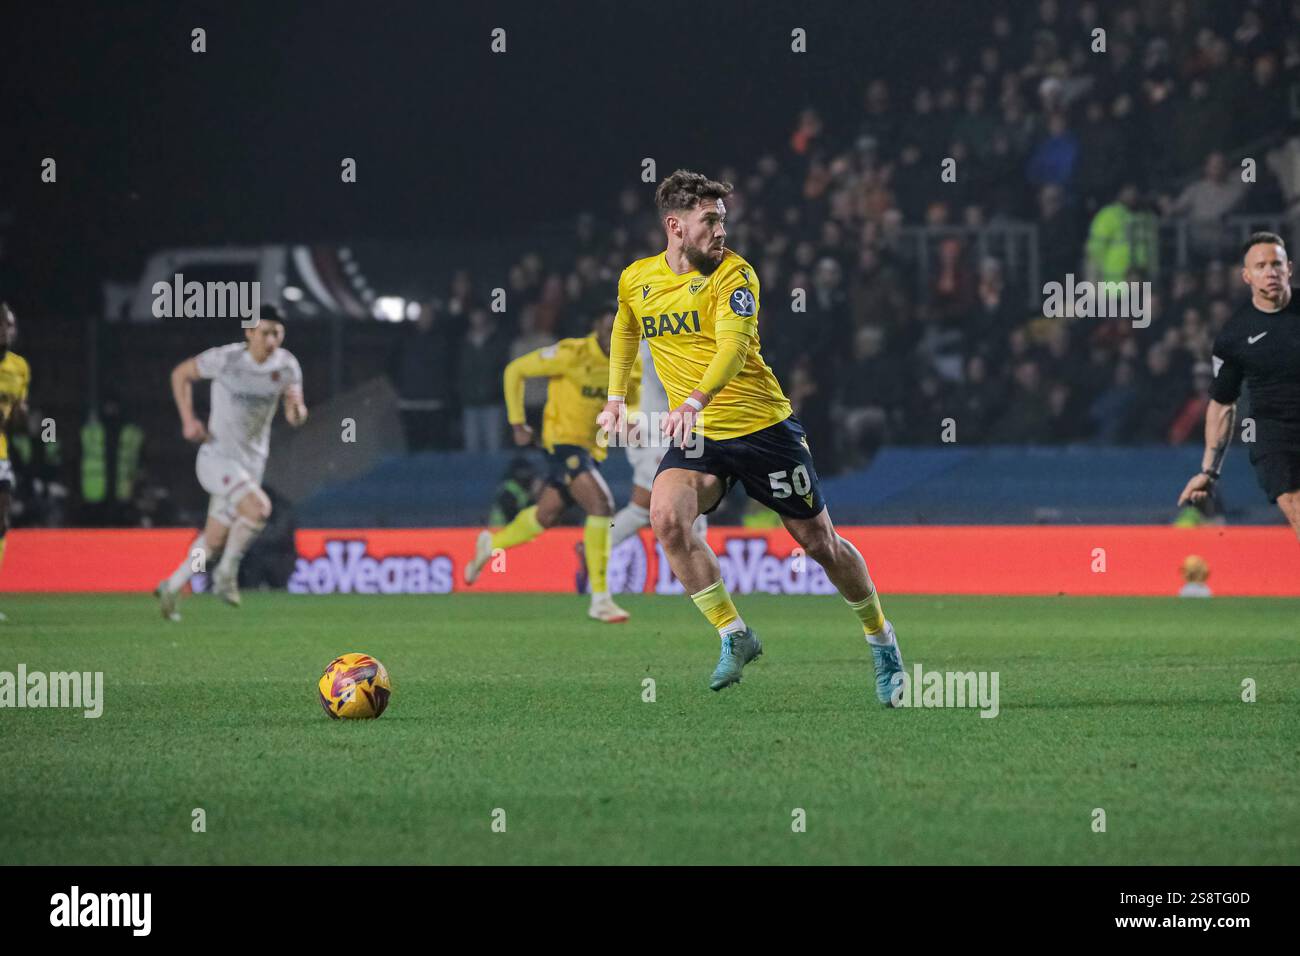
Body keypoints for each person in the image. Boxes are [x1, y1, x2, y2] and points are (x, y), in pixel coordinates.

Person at [598, 170, 904, 700]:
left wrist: (693, 400)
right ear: (674, 225)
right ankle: (734, 634)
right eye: (710, 220)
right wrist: (616, 399)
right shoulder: (637, 279)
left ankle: (882, 640)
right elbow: (627, 325)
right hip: (701, 439)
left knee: (820, 543)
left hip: (763, 430)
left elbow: (733, 350)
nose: (721, 231)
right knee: (667, 519)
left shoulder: (735, 276)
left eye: (723, 220)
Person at [464, 312, 640, 624]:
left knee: (547, 515)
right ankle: (600, 598)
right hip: (563, 443)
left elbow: (632, 405)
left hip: (592, 449)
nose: (614, 334)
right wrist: (517, 421)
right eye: (608, 326)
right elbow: (515, 370)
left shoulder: (630, 364)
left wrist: (630, 424)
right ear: (596, 327)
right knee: (601, 505)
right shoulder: (571, 354)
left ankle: (491, 544)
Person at [155, 305, 308, 619]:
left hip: (251, 463)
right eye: (264, 332)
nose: (271, 340)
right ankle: (227, 573)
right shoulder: (226, 359)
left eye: (277, 333)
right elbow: (180, 374)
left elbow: (296, 416)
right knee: (260, 509)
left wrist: (296, 410)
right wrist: (188, 421)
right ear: (249, 332)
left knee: (213, 539)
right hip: (217, 459)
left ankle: (172, 586)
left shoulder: (287, 366)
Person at [1179, 233, 1300, 540]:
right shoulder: (1234, 337)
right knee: (1295, 506)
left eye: (1276, 264)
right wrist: (1209, 471)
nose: (1270, 272)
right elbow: (1222, 404)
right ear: (1246, 276)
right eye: (1260, 266)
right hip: (1273, 434)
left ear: (1290, 268)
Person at [0, 304, 31, 622]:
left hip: (0, 450)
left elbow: (21, 419)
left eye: (10, 326)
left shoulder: (19, 367)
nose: (7, 331)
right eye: (3, 325)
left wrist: (23, 418)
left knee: (2, 515)